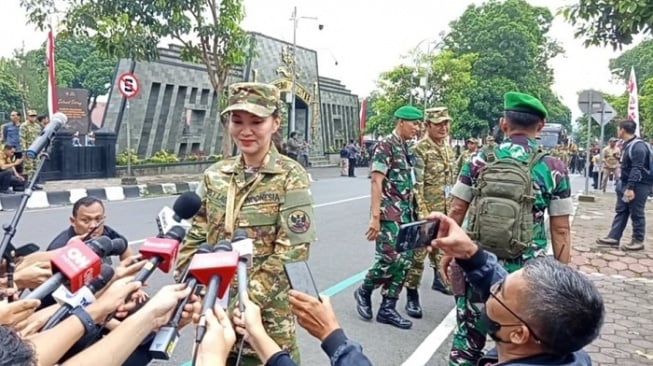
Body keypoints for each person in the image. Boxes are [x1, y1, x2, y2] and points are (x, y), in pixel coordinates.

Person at [176, 82, 317, 365]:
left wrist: (241, 300)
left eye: (257, 121)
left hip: (266, 316)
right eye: (237, 121)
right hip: (214, 309)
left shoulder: (291, 175)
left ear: (275, 123)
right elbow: (197, 235)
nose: (246, 130)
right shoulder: (216, 175)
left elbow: (293, 249)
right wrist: (190, 287)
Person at [445, 92, 572, 366]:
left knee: (467, 339)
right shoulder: (553, 167)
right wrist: (561, 279)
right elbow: (560, 229)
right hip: (527, 276)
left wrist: (447, 254)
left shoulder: (479, 159)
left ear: (504, 123)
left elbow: (456, 211)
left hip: (475, 263)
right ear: (540, 126)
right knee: (526, 344)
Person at [428, 212, 603, 366]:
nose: (492, 287)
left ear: (518, 334)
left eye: (499, 291)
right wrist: (471, 255)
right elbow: (515, 297)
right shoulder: (570, 352)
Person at [354, 105, 421, 330]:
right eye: (414, 123)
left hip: (407, 214)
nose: (417, 127)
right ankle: (364, 289)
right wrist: (375, 217)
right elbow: (376, 181)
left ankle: (388, 307)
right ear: (401, 122)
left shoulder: (406, 148)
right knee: (389, 259)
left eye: (419, 123)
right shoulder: (385, 145)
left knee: (405, 261)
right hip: (389, 214)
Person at [405, 107, 455, 319]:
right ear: (427, 126)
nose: (444, 127)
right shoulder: (420, 149)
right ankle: (412, 293)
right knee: (418, 255)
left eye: (446, 123)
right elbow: (416, 184)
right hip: (427, 212)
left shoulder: (447, 148)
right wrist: (424, 213)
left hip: (445, 209)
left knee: (442, 249)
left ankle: (439, 279)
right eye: (439, 124)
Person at [596, 119, 653, 251]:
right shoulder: (627, 144)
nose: (617, 131)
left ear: (622, 130)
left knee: (636, 212)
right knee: (621, 210)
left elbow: (637, 168)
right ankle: (614, 237)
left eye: (618, 128)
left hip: (638, 185)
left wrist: (630, 188)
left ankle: (638, 240)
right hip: (626, 183)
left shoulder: (638, 146)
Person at [20, 110, 43, 189]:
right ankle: (29, 184)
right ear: (27, 116)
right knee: (28, 167)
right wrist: (24, 149)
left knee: (36, 166)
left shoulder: (37, 126)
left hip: (37, 149)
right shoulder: (24, 125)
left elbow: (40, 138)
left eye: (34, 116)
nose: (33, 117)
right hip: (28, 149)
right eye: (31, 116)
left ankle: (35, 183)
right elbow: (22, 138)